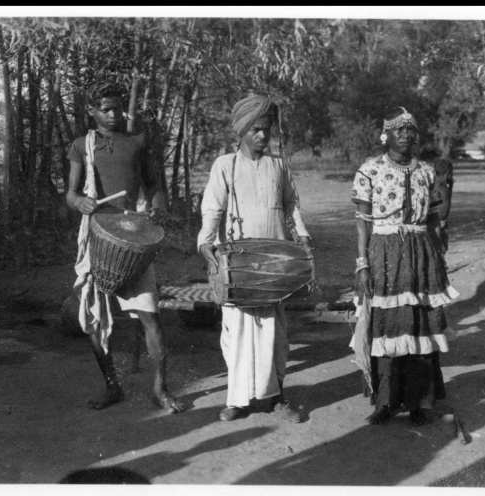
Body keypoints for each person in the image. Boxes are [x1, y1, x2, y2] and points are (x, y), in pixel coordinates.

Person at [66, 86, 184, 414]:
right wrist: (81, 202)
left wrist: (159, 205)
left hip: (134, 237)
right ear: (92, 110)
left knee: (151, 318)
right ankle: (112, 386)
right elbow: (70, 194)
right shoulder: (81, 146)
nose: (114, 115)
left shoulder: (138, 142)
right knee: (94, 316)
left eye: (118, 109)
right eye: (106, 109)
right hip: (99, 238)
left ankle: (160, 389)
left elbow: (154, 185)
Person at [197, 95, 311, 423]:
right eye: (256, 130)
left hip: (275, 263)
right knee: (237, 335)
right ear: (242, 131)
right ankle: (238, 400)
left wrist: (301, 234)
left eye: (267, 130)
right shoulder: (225, 165)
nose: (263, 136)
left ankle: (276, 399)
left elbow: (291, 205)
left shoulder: (279, 166)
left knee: (275, 336)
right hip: (239, 265)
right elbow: (212, 208)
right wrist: (206, 242)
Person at [350, 107, 459, 427]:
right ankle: (385, 401)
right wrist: (362, 267)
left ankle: (421, 404)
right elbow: (362, 224)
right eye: (400, 130)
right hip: (384, 254)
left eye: (412, 130)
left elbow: (436, 220)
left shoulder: (427, 172)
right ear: (386, 135)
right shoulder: (369, 170)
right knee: (387, 325)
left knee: (421, 325)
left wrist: (439, 261)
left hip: (421, 256)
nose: (408, 135)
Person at [432, 158, 454, 252]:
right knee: (439, 247)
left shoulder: (444, 185)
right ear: (448, 172)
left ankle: (440, 264)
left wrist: (451, 186)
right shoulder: (438, 185)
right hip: (437, 222)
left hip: (442, 221)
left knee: (442, 247)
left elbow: (447, 200)